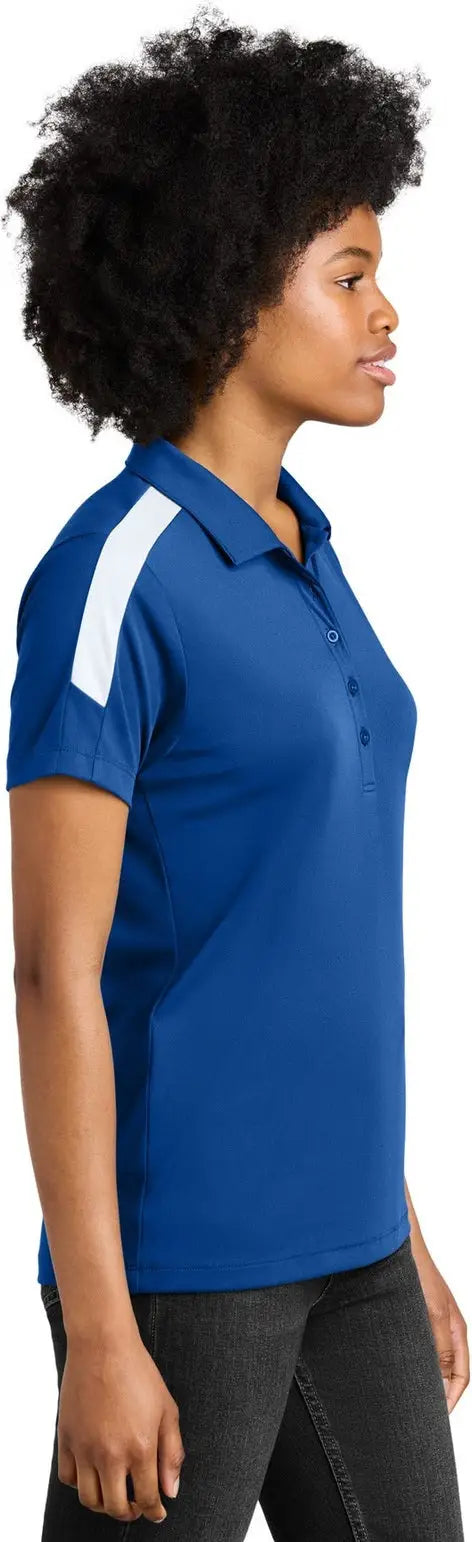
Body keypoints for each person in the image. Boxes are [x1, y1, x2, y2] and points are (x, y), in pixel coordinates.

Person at [3, 8, 468, 1539]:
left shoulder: (309, 551)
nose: (388, 311)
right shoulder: (115, 575)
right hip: (186, 1270)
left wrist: (403, 1230)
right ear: (224, 286)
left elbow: (309, 938)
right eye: (349, 274)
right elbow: (53, 972)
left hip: (357, 1253)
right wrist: (99, 1330)